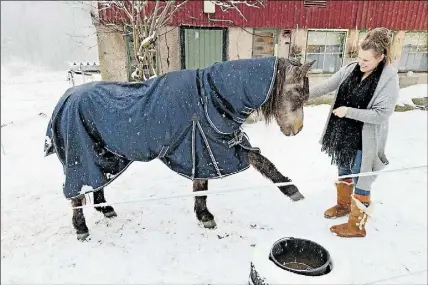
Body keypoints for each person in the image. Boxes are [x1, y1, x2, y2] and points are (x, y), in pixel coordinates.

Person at [309, 27, 399, 238]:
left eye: (367, 60)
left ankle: (356, 226)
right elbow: (326, 86)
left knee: (362, 180)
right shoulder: (351, 69)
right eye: (359, 57)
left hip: (363, 141)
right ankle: (343, 205)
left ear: (381, 57)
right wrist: (299, 95)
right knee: (344, 171)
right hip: (342, 135)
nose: (361, 63)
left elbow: (381, 115)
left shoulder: (388, 79)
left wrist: (348, 112)